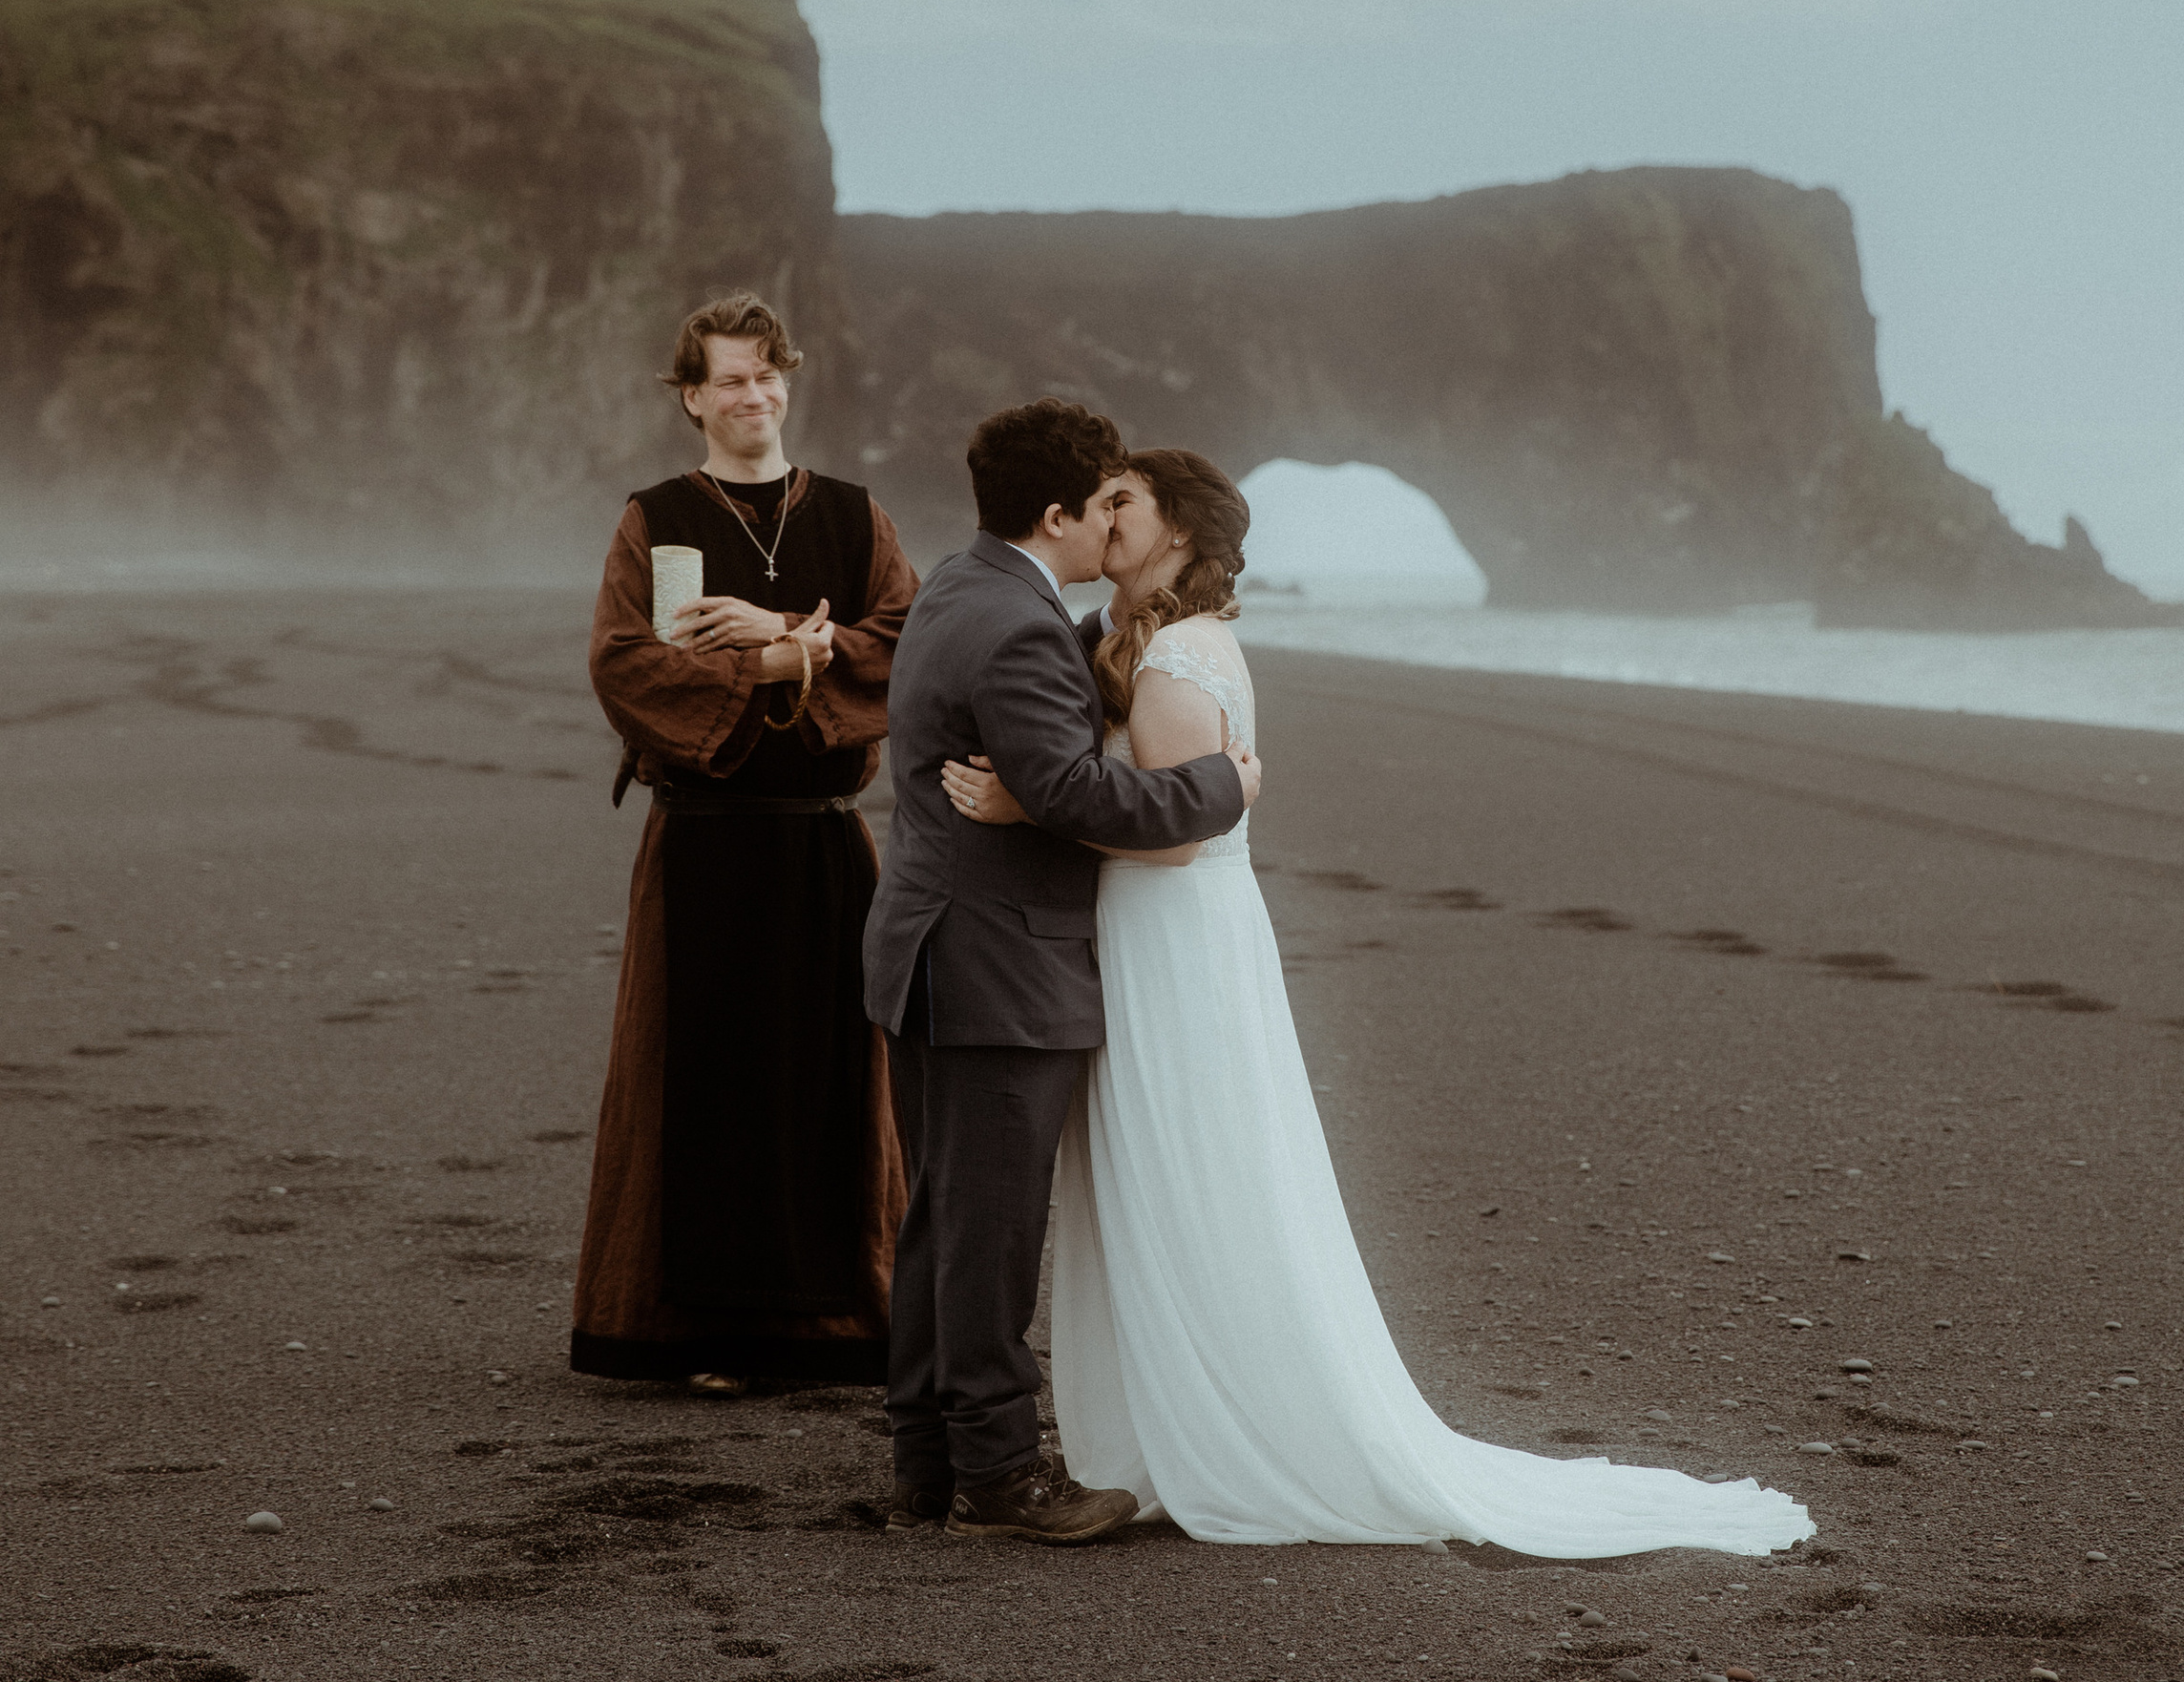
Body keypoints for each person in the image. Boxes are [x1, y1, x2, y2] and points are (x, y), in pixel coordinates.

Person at [941, 447, 1815, 1561]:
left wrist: (1030, 810)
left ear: (1178, 534)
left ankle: (1222, 1426)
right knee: (1181, 1169)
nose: (1103, 516)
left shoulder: (1175, 657)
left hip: (1169, 937)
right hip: (1164, 937)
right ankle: (1181, 1414)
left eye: (1125, 502)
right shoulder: (1138, 642)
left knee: (1191, 1169)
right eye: (1100, 499)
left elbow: (1172, 840)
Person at [863, 398, 1259, 1543]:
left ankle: (927, 1463)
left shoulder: (959, 584)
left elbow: (1041, 759)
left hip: (931, 949)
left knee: (943, 1220)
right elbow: (1075, 793)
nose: (1110, 522)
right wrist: (1223, 786)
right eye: (1099, 504)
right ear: (1056, 516)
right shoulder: (1022, 627)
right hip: (993, 965)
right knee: (987, 1229)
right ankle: (998, 1475)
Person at [572, 291, 918, 1394]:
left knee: (829, 1083)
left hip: (822, 846)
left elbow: (909, 643)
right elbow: (623, 666)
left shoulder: (855, 517)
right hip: (704, 845)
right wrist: (768, 664)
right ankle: (710, 1333)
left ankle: (837, 1325)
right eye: (729, 378)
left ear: (787, 382)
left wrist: (794, 640)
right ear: (692, 397)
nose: (752, 394)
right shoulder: (656, 518)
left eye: (767, 374)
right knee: (706, 1083)